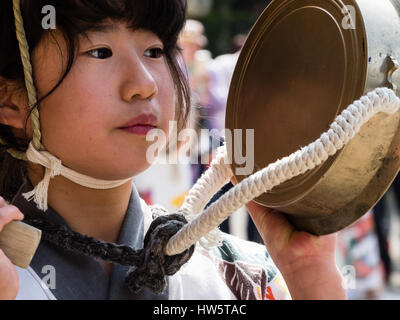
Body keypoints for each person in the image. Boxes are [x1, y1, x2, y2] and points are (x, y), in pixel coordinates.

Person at [0, 0, 345, 300]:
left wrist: (311, 280)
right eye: (100, 51)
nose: (144, 84)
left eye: (154, 51)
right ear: (9, 100)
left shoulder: (243, 276)